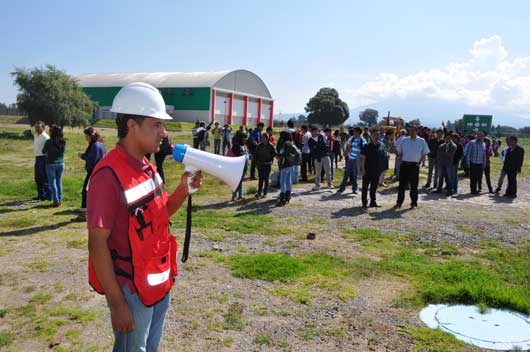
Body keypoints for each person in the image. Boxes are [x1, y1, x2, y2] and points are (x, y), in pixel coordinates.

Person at [87, 82, 202, 352]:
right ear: (131, 126)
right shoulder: (107, 175)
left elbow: (160, 215)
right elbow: (97, 244)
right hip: (131, 291)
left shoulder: (148, 166)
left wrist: (184, 190)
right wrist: (117, 304)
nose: (164, 133)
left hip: (158, 279)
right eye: (156, 125)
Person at [74, 127, 105, 221]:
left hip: (93, 172)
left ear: (90, 136)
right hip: (99, 172)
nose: (85, 138)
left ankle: (83, 215)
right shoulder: (100, 144)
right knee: (95, 193)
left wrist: (82, 156)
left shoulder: (95, 145)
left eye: (86, 136)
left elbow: (92, 159)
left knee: (85, 192)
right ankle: (95, 211)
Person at [395, 126, 430, 209]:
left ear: (417, 131)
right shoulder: (404, 140)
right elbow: (399, 151)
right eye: (410, 131)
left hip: (414, 166)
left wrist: (420, 161)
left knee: (414, 186)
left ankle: (414, 203)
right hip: (404, 165)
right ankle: (399, 202)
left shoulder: (421, 141)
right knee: (402, 185)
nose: (411, 133)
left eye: (413, 131)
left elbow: (425, 152)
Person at [361, 129, 388, 208]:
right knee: (365, 187)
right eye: (375, 134)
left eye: (378, 134)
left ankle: (373, 202)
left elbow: (384, 157)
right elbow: (363, 158)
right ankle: (364, 203)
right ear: (371, 135)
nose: (377, 136)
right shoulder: (367, 146)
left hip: (377, 171)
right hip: (367, 170)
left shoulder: (382, 145)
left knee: (374, 188)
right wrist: (363, 169)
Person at [42, 125, 66, 207]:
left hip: (51, 163)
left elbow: (43, 152)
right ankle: (59, 199)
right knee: (59, 182)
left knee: (52, 183)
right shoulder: (63, 141)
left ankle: (55, 200)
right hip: (61, 163)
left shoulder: (49, 141)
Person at [337, 127, 366, 194]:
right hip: (350, 159)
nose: (353, 132)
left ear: (358, 132)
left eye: (355, 131)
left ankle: (355, 189)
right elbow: (348, 147)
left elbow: (364, 151)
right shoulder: (352, 138)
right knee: (346, 173)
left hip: (357, 160)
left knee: (355, 175)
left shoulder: (363, 141)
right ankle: (342, 188)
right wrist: (346, 154)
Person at [276, 131, 301, 206]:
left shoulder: (284, 144)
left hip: (284, 165)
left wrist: (280, 156)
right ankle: (288, 195)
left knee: (282, 181)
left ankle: (282, 198)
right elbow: (298, 152)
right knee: (288, 180)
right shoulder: (292, 143)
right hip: (291, 165)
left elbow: (281, 153)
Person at [308, 126, 332, 190]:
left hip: (325, 156)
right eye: (315, 131)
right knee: (318, 173)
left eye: (317, 131)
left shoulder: (321, 137)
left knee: (328, 171)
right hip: (317, 158)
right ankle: (317, 185)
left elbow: (324, 146)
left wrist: (319, 148)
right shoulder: (310, 140)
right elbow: (313, 150)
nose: (316, 132)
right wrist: (318, 151)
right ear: (311, 132)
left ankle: (329, 184)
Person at [33, 121, 51, 201]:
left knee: (44, 178)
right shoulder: (35, 135)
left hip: (43, 158)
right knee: (37, 178)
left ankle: (48, 196)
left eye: (38, 127)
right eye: (35, 127)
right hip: (37, 158)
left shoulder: (46, 137)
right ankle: (41, 195)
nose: (36, 128)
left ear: (43, 128)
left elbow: (49, 149)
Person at [254, 133, 276, 198]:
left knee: (266, 179)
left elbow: (274, 154)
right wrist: (256, 163)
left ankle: (265, 193)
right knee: (260, 179)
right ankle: (259, 193)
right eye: (261, 138)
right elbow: (256, 155)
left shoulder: (271, 146)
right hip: (260, 164)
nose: (262, 139)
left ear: (267, 138)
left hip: (267, 164)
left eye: (263, 138)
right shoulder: (259, 146)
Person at [231, 133, 248, 201]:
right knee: (237, 181)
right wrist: (244, 154)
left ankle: (240, 195)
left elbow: (246, 153)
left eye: (246, 138)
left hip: (244, 166)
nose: (245, 140)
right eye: (244, 138)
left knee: (241, 181)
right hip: (237, 167)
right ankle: (234, 195)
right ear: (240, 138)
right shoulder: (236, 145)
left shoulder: (244, 145)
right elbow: (236, 154)